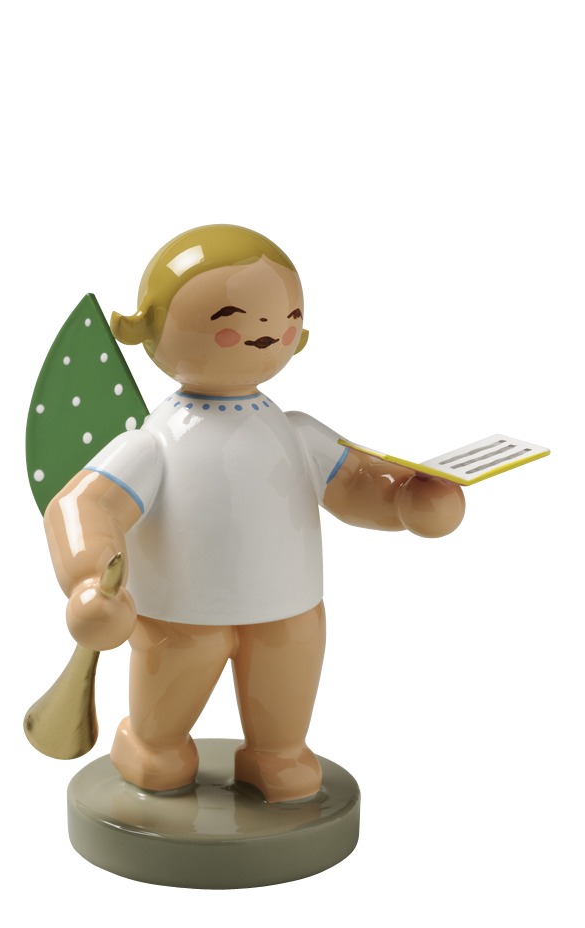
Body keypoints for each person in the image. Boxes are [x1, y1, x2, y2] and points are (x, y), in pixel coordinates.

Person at [44, 224, 465, 802]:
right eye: (231, 315)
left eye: (288, 317)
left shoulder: (295, 432)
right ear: (149, 328)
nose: (270, 329)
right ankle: (150, 747)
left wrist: (409, 501)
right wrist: (91, 577)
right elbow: (83, 503)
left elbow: (358, 484)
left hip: (290, 612)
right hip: (179, 614)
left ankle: (278, 754)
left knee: (285, 696)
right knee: (167, 707)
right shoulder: (156, 442)